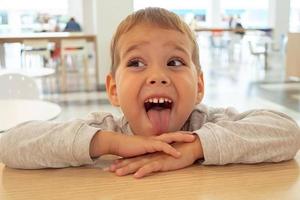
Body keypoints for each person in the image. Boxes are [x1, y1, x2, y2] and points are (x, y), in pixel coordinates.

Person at [0, 8, 299, 179]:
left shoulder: (210, 124)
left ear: (198, 87)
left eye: (175, 62)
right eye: (136, 63)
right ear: (114, 90)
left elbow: (287, 132)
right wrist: (106, 143)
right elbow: (10, 145)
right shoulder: (107, 130)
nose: (158, 76)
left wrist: (197, 147)